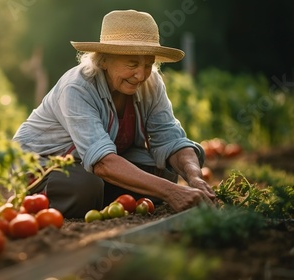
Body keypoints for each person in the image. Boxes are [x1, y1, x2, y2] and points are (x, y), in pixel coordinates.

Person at [13, 10, 216, 218]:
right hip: (45, 164)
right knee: (86, 187)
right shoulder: (77, 88)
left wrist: (194, 177)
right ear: (103, 61)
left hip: (90, 164)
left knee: (164, 171)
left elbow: (171, 138)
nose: (141, 75)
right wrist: (170, 192)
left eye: (148, 64)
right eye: (132, 64)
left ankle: (100, 197)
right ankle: (57, 197)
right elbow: (101, 162)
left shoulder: (151, 83)